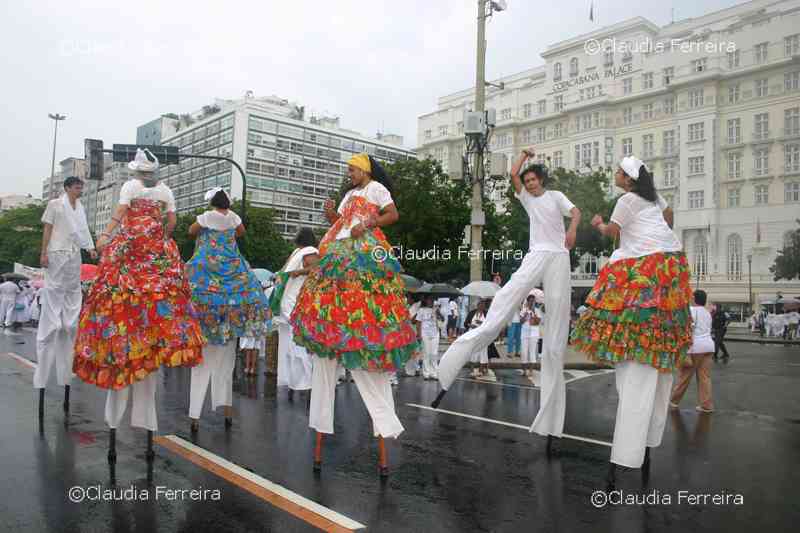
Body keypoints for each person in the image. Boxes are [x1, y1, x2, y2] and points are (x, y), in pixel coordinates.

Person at [435, 148, 580, 451]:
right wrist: (523, 156)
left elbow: (575, 212)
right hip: (537, 254)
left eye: (532, 179)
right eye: (526, 180)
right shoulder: (527, 199)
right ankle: (460, 355)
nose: (527, 183)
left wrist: (573, 231)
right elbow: (512, 174)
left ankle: (553, 419)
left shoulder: (555, 197)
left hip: (558, 257)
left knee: (555, 336)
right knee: (504, 300)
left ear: (541, 180)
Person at [72, 149, 204, 463]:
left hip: (129, 252)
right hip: (158, 255)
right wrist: (161, 236)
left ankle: (116, 426)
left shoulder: (130, 187)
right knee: (166, 300)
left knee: (114, 297)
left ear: (136, 171)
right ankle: (146, 431)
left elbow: (119, 216)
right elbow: (172, 221)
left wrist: (105, 236)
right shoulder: (166, 191)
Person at [291, 153, 418, 476]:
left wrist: (370, 222)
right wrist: (334, 214)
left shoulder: (376, 189)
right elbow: (341, 225)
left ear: (364, 170)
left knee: (367, 308)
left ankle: (382, 445)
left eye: (351, 169)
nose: (348, 174)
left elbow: (393, 214)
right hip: (341, 252)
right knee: (333, 309)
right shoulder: (349, 195)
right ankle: (321, 439)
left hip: (366, 252)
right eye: (347, 169)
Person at [570, 155, 691, 485]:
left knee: (626, 320)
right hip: (670, 265)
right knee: (653, 336)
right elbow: (668, 216)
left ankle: (625, 457)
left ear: (630, 179)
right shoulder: (654, 198)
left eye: (620, 172)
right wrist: (657, 232)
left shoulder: (625, 201)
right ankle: (646, 446)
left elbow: (613, 232)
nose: (616, 175)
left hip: (641, 267)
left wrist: (596, 224)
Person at [186, 187, 268, 432]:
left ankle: (194, 416)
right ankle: (227, 410)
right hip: (232, 277)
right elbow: (241, 232)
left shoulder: (207, 216)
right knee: (227, 359)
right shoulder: (233, 217)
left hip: (208, 275)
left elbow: (191, 232)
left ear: (212, 202)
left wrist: (206, 226)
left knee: (202, 363)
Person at [33, 176, 97, 416]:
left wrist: (89, 247)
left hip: (73, 256)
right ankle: (53, 325)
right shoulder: (55, 205)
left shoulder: (79, 207)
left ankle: (68, 325)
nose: (80, 189)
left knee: (72, 299)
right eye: (77, 186)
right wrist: (43, 252)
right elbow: (48, 228)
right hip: (57, 252)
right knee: (54, 296)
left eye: (82, 186)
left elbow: (82, 232)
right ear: (68, 187)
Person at [271, 227, 319, 399]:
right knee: (289, 344)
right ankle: (291, 381)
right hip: (287, 300)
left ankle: (305, 382)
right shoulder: (297, 252)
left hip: (296, 300)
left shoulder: (311, 251)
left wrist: (299, 272)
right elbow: (284, 271)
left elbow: (316, 268)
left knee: (297, 343)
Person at [670, 290, 714, 413]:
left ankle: (674, 401)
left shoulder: (691, 310)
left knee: (685, 376)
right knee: (704, 377)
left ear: (694, 298)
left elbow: (686, 328)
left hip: (696, 347)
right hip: (709, 346)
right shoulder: (707, 312)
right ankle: (706, 405)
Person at [414, 295, 440, 380]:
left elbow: (441, 319)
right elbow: (418, 323)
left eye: (432, 299)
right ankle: (426, 373)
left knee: (434, 354)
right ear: (426, 300)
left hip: (435, 333)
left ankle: (434, 372)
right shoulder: (421, 310)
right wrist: (418, 334)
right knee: (426, 353)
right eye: (429, 299)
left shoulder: (435, 310)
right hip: (425, 333)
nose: (431, 301)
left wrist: (437, 312)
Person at [519, 296, 542, 382]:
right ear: (527, 301)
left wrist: (534, 314)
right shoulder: (523, 310)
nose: (532, 303)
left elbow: (538, 322)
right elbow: (520, 322)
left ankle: (531, 370)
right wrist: (525, 315)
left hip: (534, 334)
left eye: (533, 301)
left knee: (532, 352)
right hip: (524, 333)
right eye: (530, 301)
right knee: (524, 352)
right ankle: (524, 370)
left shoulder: (537, 310)